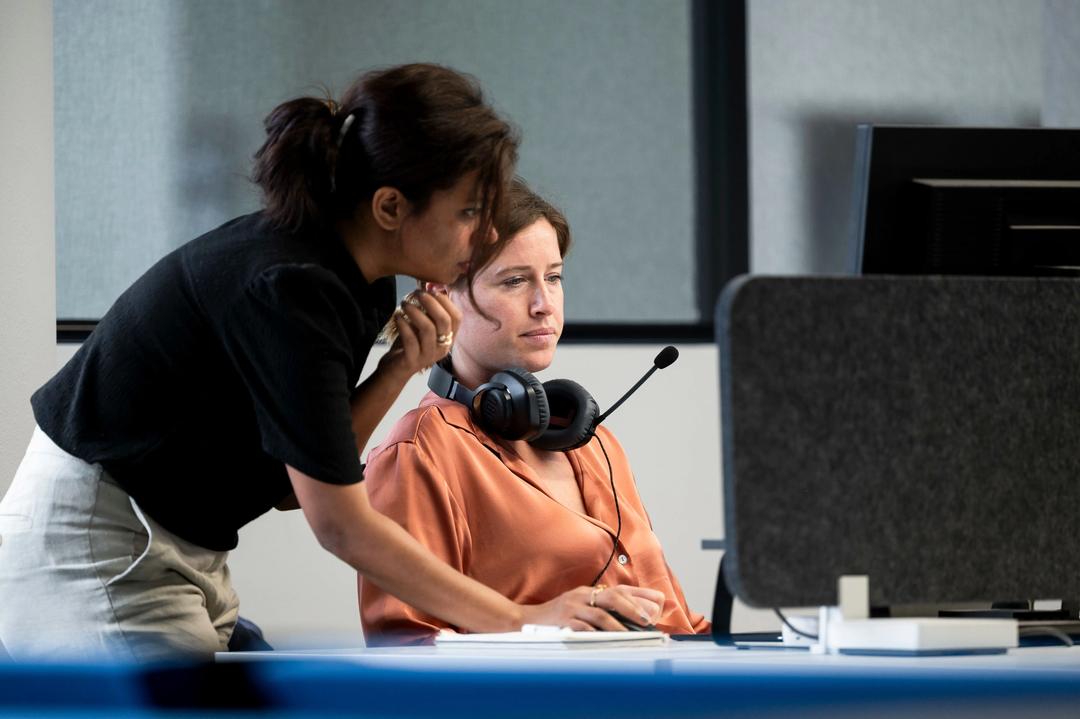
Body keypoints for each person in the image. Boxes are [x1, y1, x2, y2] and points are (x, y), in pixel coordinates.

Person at [0, 64, 655, 662]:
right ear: (390, 207)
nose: (485, 235)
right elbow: (339, 524)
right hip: (99, 541)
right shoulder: (293, 288)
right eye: (468, 212)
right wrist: (521, 619)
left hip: (184, 547)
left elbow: (292, 488)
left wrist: (397, 369)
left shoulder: (356, 281)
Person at [359, 179, 708, 646]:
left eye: (554, 278)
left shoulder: (593, 442)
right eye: (515, 280)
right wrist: (538, 628)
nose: (544, 305)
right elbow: (405, 651)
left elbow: (679, 624)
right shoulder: (418, 454)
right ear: (441, 292)